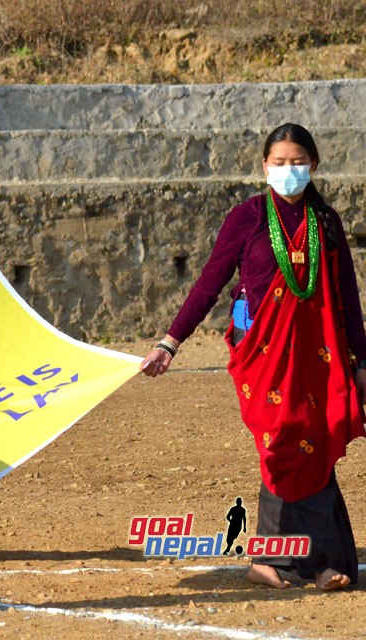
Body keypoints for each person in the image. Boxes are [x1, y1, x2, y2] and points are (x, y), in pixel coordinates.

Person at [141, 123, 366, 591]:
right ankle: (313, 559)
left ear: (314, 165)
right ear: (264, 167)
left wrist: (362, 363)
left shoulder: (326, 222)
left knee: (315, 441)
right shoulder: (246, 218)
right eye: (279, 162)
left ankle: (279, 560)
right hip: (263, 356)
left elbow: (347, 295)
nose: (289, 170)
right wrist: (170, 342)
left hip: (318, 356)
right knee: (283, 440)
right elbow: (209, 283)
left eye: (297, 161)